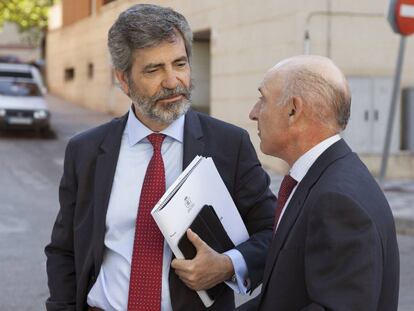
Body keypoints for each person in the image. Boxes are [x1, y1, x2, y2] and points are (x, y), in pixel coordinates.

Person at [45, 4, 276, 311]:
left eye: (179, 64)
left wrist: (227, 265)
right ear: (123, 79)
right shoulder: (86, 150)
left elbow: (273, 233)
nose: (172, 81)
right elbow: (64, 250)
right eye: (154, 69)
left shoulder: (229, 145)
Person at [240, 55, 399, 311]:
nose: (253, 113)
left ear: (293, 110)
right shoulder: (324, 177)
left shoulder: (337, 201)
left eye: (263, 99)